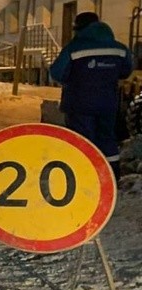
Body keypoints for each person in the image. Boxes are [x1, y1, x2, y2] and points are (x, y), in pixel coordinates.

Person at [49, 11, 134, 180]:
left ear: (79, 29)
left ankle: (83, 177)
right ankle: (111, 177)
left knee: (82, 141)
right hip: (108, 104)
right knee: (107, 138)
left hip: (78, 104)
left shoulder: (74, 48)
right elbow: (126, 71)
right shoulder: (119, 48)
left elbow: (56, 73)